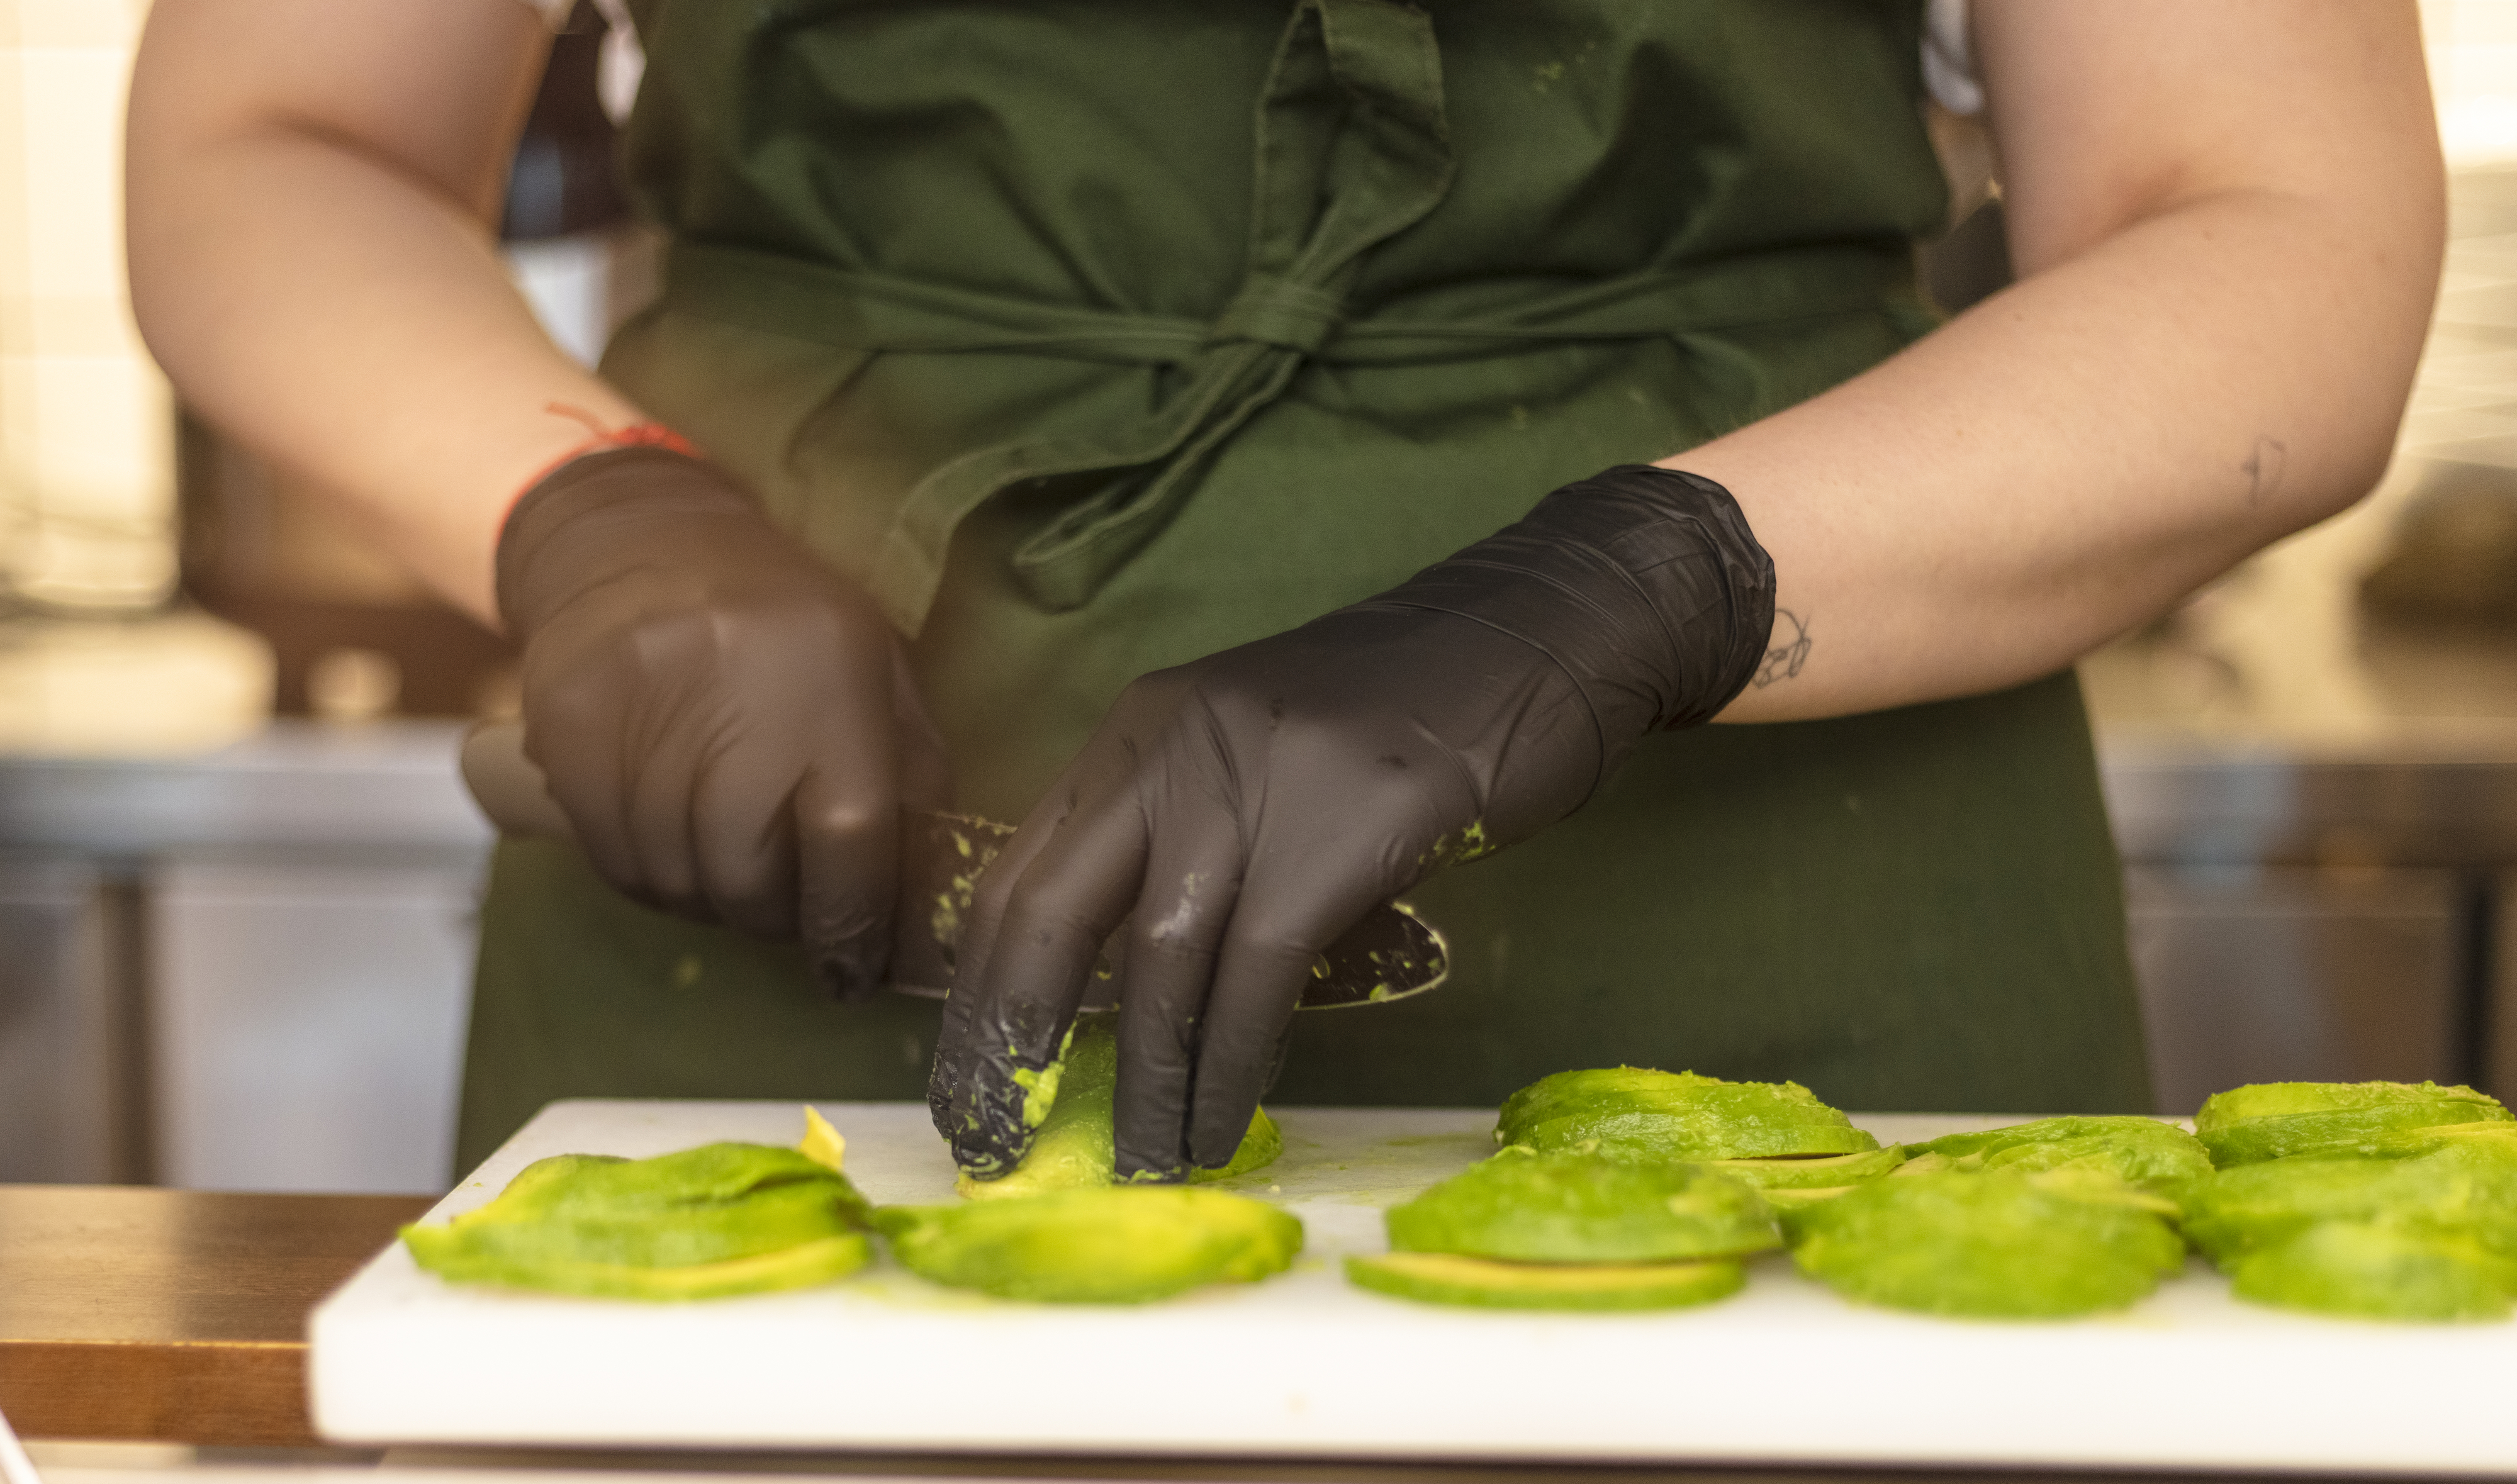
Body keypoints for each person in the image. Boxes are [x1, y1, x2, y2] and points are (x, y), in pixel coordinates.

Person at [127, 1, 2443, 1181]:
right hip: (754, 987)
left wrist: (1642, 588)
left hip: (1794, 920)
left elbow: (2271, 229)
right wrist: (597, 520)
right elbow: (270, 144)